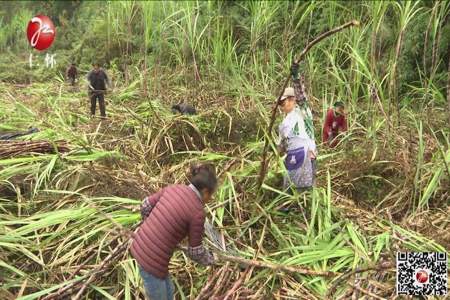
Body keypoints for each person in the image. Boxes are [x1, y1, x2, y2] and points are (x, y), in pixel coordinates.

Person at [130, 163, 217, 300]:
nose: (210, 199)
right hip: (150, 262)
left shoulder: (173, 188)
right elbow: (195, 252)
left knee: (169, 290)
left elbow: (145, 205)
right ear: (206, 191)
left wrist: (151, 224)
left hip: (140, 246)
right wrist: (212, 260)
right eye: (211, 195)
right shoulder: (197, 213)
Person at [277, 62, 317, 192]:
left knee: (305, 194)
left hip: (307, 159)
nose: (281, 105)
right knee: (289, 195)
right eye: (280, 103)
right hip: (291, 162)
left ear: (292, 99)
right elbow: (282, 147)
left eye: (283, 102)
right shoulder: (283, 124)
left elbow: (301, 96)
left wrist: (296, 77)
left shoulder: (303, 112)